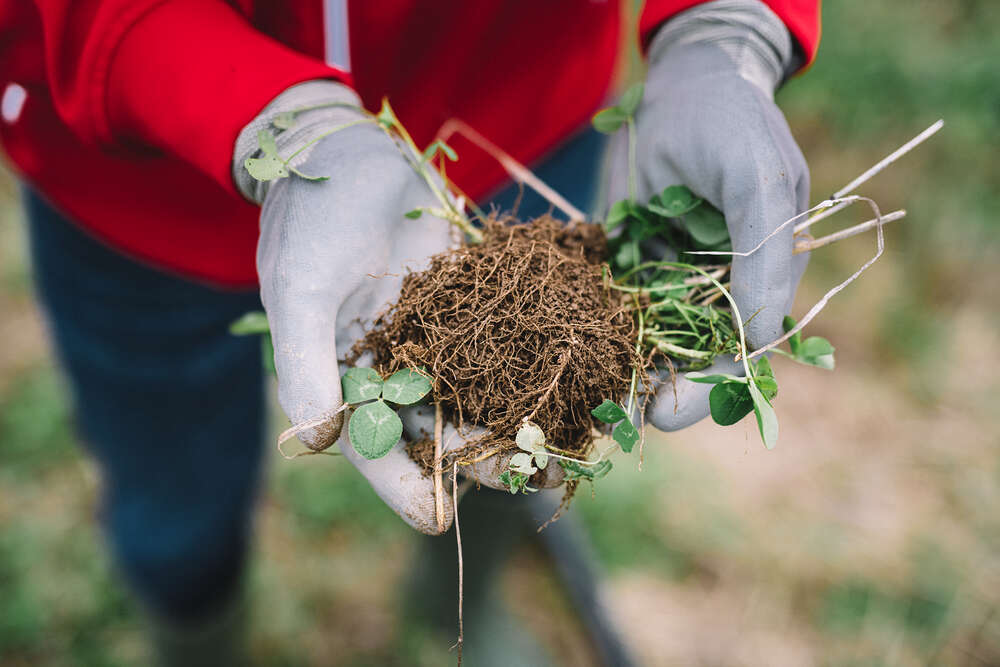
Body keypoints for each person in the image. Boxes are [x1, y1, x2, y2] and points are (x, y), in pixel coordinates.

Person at [1, 0, 819, 663]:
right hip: (140, 189)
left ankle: (457, 601)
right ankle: (194, 639)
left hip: (513, 100)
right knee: (174, 502)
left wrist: (723, 26)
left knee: (526, 430)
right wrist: (276, 112)